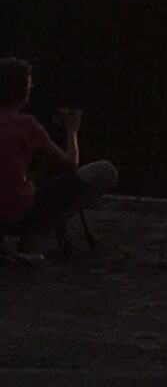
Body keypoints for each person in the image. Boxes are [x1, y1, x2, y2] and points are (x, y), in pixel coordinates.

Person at [0, 57, 118, 259]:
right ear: (25, 91)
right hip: (19, 213)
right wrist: (72, 132)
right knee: (106, 171)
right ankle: (38, 234)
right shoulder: (26, 125)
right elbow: (70, 166)